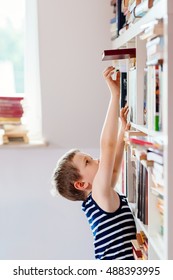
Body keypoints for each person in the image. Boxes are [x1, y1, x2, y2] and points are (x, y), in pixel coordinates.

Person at [51, 66, 137, 260]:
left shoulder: (102, 196)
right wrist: (115, 95)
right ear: (81, 184)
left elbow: (114, 167)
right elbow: (106, 146)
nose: (96, 159)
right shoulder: (100, 196)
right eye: (88, 162)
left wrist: (123, 133)